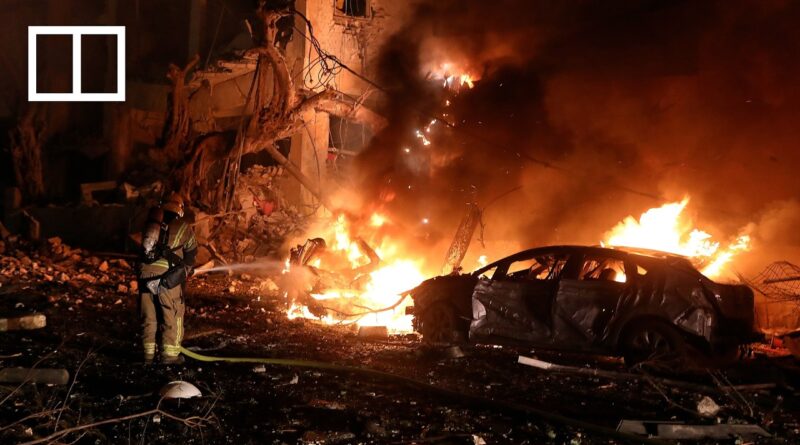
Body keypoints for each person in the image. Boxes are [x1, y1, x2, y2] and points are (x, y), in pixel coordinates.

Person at [137, 192, 197, 364]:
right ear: (180, 209)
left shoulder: (150, 225)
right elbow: (192, 253)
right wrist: (185, 270)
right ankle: (169, 356)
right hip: (167, 278)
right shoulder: (183, 226)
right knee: (173, 314)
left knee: (148, 316)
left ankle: (148, 356)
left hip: (144, 276)